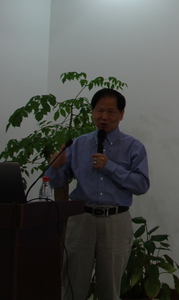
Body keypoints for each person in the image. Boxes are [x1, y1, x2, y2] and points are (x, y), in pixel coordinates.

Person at [47, 88, 150, 300]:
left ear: (121, 114)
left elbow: (141, 185)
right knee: (72, 286)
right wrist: (55, 167)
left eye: (111, 112)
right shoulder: (78, 144)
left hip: (115, 221)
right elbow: (57, 182)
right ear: (92, 112)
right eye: (99, 110)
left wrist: (110, 166)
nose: (104, 117)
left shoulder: (133, 147)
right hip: (81, 219)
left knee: (109, 289)